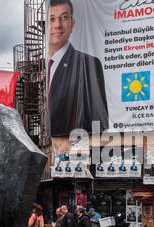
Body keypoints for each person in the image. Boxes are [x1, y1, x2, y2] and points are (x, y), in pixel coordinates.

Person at [47, 0, 108, 136]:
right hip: (46, 144)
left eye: (64, 17)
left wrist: (96, 147)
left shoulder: (88, 63)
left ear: (72, 24)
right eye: (51, 19)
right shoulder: (42, 69)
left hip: (76, 144)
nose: (57, 25)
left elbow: (97, 113)